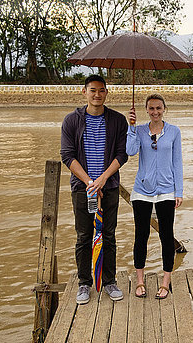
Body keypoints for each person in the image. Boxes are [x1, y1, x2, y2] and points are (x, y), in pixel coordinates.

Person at [60, 75, 128, 304]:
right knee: (83, 236)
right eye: (92, 90)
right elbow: (67, 156)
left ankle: (109, 281)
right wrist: (90, 182)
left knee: (108, 235)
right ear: (84, 92)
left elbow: (122, 155)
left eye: (101, 90)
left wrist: (102, 180)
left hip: (108, 188)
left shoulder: (118, 120)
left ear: (106, 93)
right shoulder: (72, 121)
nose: (97, 94)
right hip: (83, 189)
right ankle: (84, 283)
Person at [126, 93, 183, 299]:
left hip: (167, 190)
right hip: (142, 191)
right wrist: (131, 127)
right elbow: (130, 151)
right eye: (151, 109)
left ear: (164, 109)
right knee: (141, 236)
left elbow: (177, 163)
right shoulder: (139, 130)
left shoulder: (174, 132)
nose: (155, 112)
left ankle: (165, 281)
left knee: (166, 236)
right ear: (146, 111)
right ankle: (140, 280)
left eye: (158, 108)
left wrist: (179, 191)